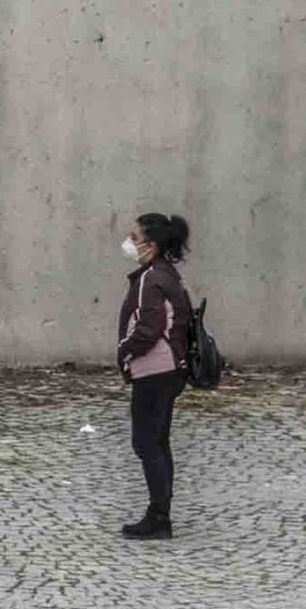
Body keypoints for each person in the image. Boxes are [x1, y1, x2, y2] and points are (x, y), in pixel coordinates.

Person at [115, 210, 195, 541]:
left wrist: (124, 350)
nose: (128, 244)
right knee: (158, 442)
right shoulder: (168, 274)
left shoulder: (151, 278)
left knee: (146, 442)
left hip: (155, 370)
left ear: (151, 245)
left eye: (134, 239)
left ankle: (159, 517)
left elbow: (149, 328)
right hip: (170, 370)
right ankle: (160, 513)